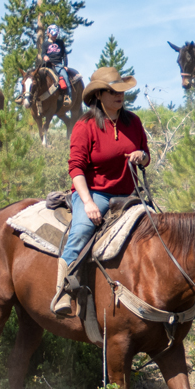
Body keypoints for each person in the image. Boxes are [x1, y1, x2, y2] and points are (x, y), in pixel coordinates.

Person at [50, 66, 150, 318]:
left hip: (129, 195)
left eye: (120, 90)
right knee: (82, 230)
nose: (118, 95)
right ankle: (62, 290)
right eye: (111, 91)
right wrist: (87, 203)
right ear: (98, 95)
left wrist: (142, 156)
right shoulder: (85, 126)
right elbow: (76, 168)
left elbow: (146, 156)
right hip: (96, 193)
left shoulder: (133, 122)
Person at [38, 24, 71, 92]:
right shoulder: (45, 44)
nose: (54, 36)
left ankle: (68, 96)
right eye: (53, 35)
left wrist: (65, 66)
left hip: (58, 65)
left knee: (65, 77)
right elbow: (43, 53)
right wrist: (45, 57)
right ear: (48, 33)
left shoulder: (60, 42)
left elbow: (64, 55)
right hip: (48, 65)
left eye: (55, 35)